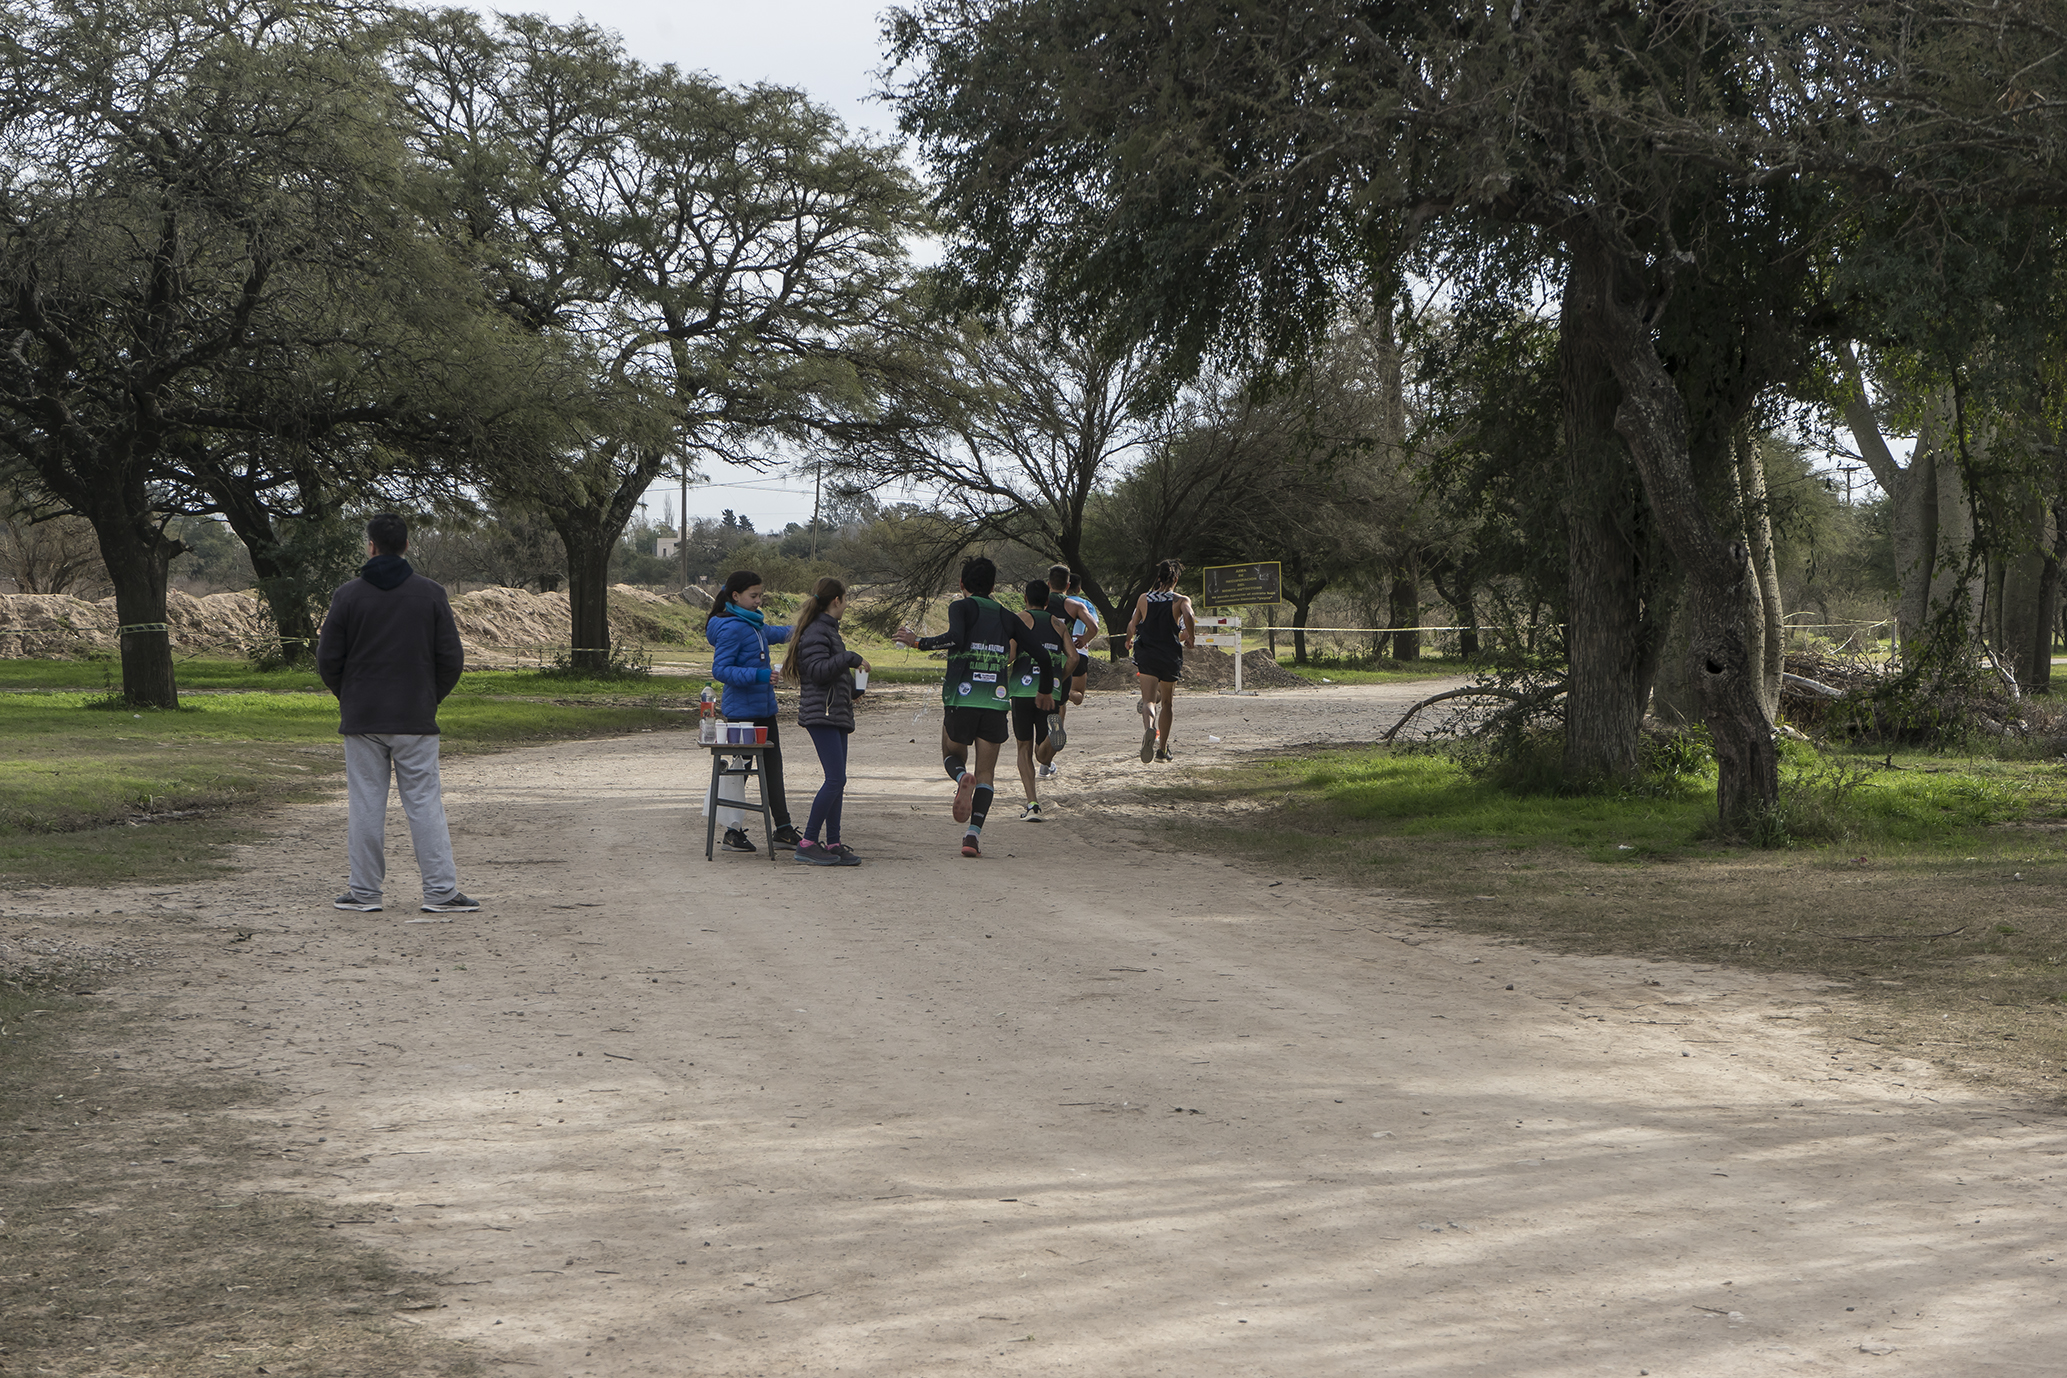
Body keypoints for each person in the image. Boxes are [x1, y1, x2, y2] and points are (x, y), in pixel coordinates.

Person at [316, 512, 476, 914]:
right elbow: (451, 659)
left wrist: (349, 696)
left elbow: (328, 659)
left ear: (370, 546)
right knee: (424, 804)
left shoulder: (347, 596)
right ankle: (440, 892)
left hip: (363, 718)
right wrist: (429, 697)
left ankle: (364, 893)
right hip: (415, 718)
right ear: (406, 546)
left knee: (366, 804)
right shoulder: (431, 593)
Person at [893, 556, 1057, 857]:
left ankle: (960, 778)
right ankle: (972, 836)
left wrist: (918, 642)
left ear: (961, 583)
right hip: (995, 704)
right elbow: (1043, 657)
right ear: (993, 587)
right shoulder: (1008, 616)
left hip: (961, 699)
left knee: (951, 754)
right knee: (986, 774)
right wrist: (1045, 690)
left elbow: (955, 637)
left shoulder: (960, 607)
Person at [706, 570, 800, 852]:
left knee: (773, 768)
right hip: (741, 714)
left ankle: (783, 829)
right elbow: (720, 670)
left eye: (761, 595)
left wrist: (803, 627)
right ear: (735, 596)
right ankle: (731, 832)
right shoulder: (732, 627)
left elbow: (776, 633)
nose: (759, 600)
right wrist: (759, 676)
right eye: (754, 595)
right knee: (740, 773)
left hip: (764, 709)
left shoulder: (754, 623)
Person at [782, 576, 869, 866]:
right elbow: (818, 671)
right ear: (836, 600)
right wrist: (850, 658)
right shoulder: (817, 631)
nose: (846, 605)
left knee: (838, 780)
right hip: (822, 714)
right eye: (845, 600)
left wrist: (854, 689)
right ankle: (807, 842)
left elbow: (831, 672)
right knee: (835, 779)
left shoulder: (828, 630)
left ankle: (833, 843)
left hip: (835, 713)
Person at [1123, 558, 1196, 763]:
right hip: (1169, 655)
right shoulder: (1180, 600)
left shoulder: (1143, 598)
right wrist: (1191, 637)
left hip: (1147, 653)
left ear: (1158, 578)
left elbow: (1132, 624)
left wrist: (1128, 640)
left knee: (1148, 700)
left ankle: (1149, 729)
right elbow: (1189, 616)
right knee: (1167, 702)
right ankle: (1162, 749)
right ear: (1176, 579)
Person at [1009, 578, 1070, 819]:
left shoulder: (1019, 619)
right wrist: (1058, 677)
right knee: (1043, 755)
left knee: (1024, 748)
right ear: (1047, 601)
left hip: (1022, 692)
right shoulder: (1059, 624)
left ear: (1025, 599)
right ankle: (1056, 733)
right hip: (1049, 692)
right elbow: (1074, 658)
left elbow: (1010, 655)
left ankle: (1032, 804)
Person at [1037, 565, 1098, 778]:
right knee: (1060, 704)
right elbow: (1094, 628)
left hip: (1040, 658)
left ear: (1048, 583)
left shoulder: (1041, 601)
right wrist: (1084, 640)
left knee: (1037, 710)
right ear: (1069, 585)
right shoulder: (1075, 604)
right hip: (1066, 658)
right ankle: (1050, 748)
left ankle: (1043, 758)